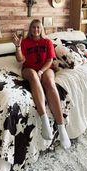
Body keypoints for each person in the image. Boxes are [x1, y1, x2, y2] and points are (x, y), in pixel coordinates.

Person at [12, 19, 71, 149]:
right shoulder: (25, 42)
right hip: (29, 70)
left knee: (50, 82)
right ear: (30, 29)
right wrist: (17, 47)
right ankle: (44, 120)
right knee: (33, 75)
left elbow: (50, 60)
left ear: (42, 29)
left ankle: (61, 129)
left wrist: (41, 71)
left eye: (38, 27)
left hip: (45, 68)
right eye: (33, 27)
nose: (36, 30)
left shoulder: (47, 42)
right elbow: (20, 59)